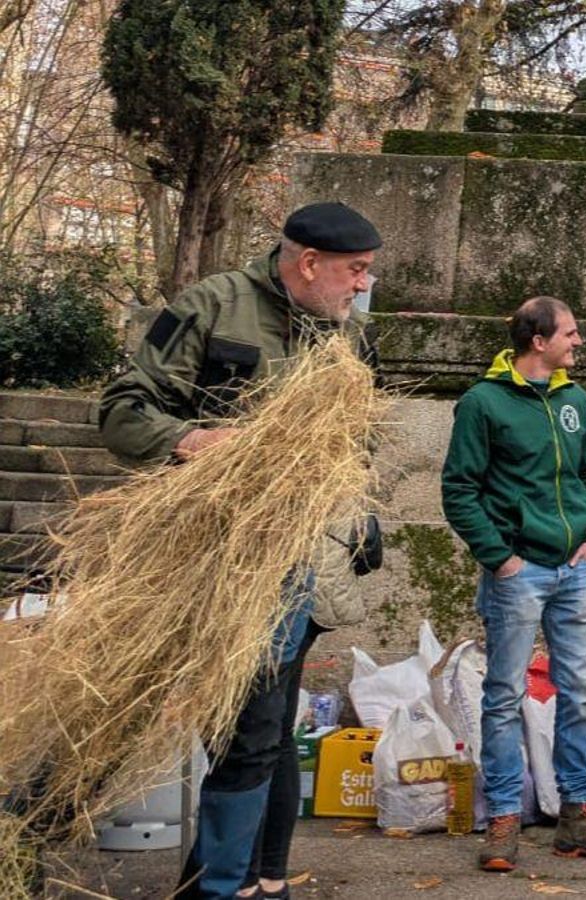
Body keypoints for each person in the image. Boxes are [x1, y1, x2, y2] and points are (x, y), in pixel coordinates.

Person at [98, 201, 382, 900]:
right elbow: (123, 409)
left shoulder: (352, 341)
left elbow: (364, 443)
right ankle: (228, 882)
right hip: (222, 560)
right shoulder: (212, 306)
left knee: (267, 727)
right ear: (309, 263)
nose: (363, 286)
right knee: (245, 727)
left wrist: (362, 512)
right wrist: (188, 441)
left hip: (312, 563)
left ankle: (252, 880)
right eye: (356, 271)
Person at [440, 296, 586, 872]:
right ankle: (504, 818)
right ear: (539, 341)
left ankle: (578, 813)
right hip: (518, 572)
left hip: (575, 571)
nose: (579, 342)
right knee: (504, 695)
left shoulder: (573, 398)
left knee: (579, 692)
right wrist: (500, 558)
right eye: (571, 334)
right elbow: (459, 489)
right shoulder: (483, 403)